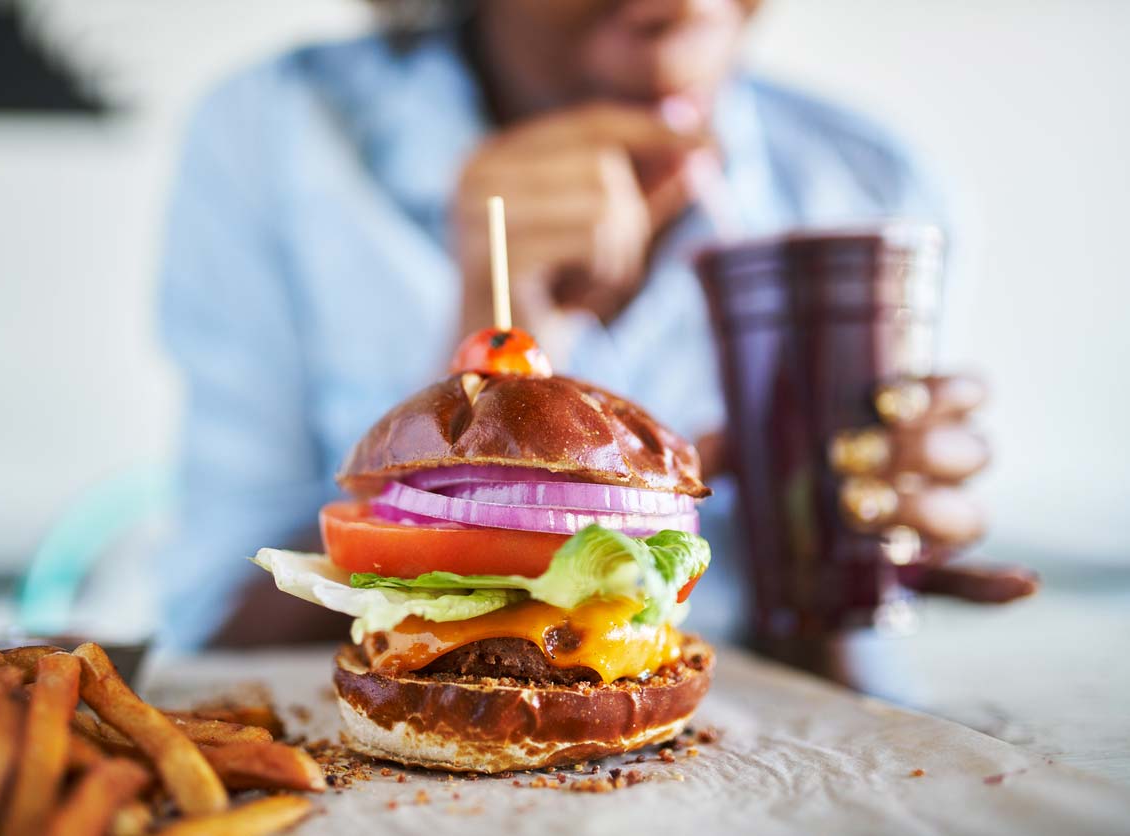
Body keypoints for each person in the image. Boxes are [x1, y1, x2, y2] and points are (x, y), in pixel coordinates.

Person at [157, 0, 1028, 650]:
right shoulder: (277, 135)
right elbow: (214, 635)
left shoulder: (875, 184)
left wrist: (874, 552)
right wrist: (490, 377)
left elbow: (846, 700)